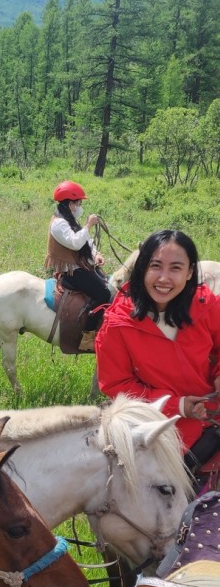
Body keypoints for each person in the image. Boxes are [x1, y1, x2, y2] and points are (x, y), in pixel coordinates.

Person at [96, 229, 220, 477]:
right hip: (159, 429)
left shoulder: (207, 306)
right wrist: (179, 405)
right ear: (142, 269)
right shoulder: (118, 325)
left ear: (190, 273)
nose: (164, 278)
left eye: (175, 268)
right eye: (155, 266)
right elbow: (116, 385)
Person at [45, 180, 111, 351]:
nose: (80, 206)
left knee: (109, 284)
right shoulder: (58, 224)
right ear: (70, 204)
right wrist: (89, 225)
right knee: (103, 293)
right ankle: (88, 335)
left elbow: (86, 241)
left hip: (82, 268)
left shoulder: (70, 220)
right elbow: (75, 243)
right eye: (79, 203)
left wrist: (96, 254)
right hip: (72, 273)